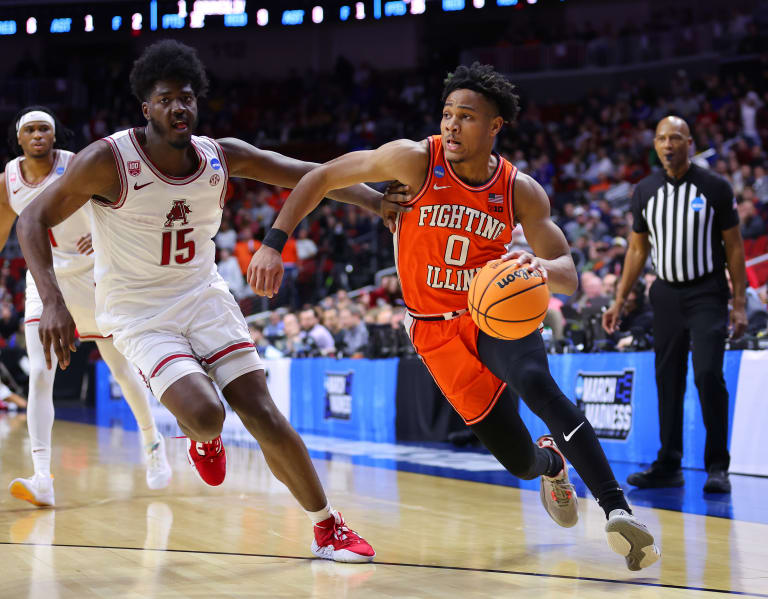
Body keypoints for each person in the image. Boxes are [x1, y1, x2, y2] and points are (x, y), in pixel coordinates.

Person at [249, 63, 660, 571]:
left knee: (537, 382)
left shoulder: (520, 190)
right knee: (517, 458)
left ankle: (618, 511)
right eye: (447, 114)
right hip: (432, 328)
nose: (451, 124)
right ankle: (551, 462)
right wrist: (274, 242)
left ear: (494, 127)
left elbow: (569, 275)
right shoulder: (414, 160)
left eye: (466, 116)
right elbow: (323, 176)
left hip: (492, 312)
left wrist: (539, 266)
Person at [18, 41, 406, 562]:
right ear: (146, 107)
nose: (179, 108)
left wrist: (376, 199)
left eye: (187, 98)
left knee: (262, 412)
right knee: (205, 414)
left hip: (203, 298)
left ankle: (327, 527)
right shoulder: (107, 160)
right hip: (139, 313)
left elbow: (310, 175)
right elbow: (31, 220)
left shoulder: (219, 156)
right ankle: (202, 438)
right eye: (165, 99)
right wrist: (53, 301)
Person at [0, 106, 172, 507]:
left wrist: (105, 235)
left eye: (46, 128)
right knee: (40, 375)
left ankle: (152, 442)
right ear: (19, 139)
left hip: (95, 276)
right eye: (31, 130)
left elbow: (121, 204)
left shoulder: (77, 165)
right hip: (44, 280)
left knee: (120, 369)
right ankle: (43, 476)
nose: (39, 134)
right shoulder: (8, 180)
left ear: (56, 136)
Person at [603, 116, 748, 494]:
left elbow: (733, 245)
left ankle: (718, 465)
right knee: (667, 379)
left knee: (706, 376)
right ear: (654, 144)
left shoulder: (715, 187)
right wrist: (619, 301)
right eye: (662, 139)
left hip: (707, 292)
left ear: (689, 142)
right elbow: (637, 248)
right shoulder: (645, 190)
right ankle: (669, 463)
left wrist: (739, 304)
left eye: (676, 138)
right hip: (665, 294)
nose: (669, 145)